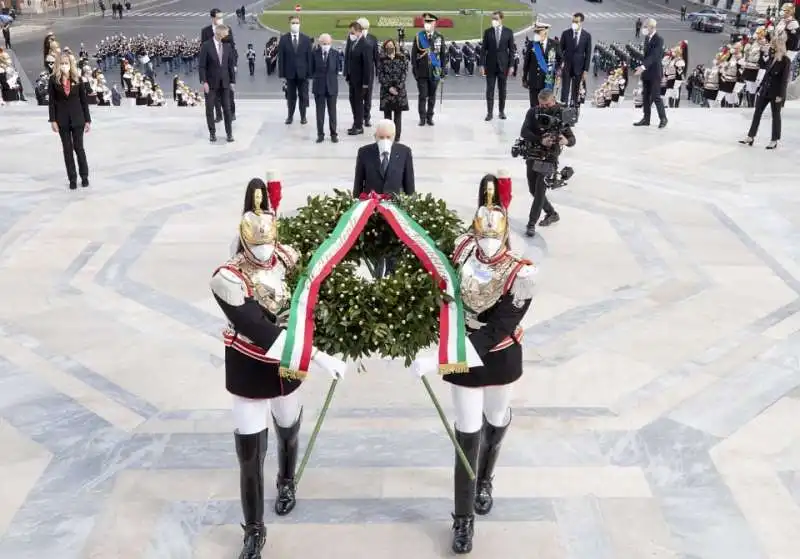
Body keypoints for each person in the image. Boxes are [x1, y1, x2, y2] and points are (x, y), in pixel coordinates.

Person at [211, 178, 347, 559]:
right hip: (250, 363)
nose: (264, 249)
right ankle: (253, 529)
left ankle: (287, 480)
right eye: (256, 243)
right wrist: (319, 357)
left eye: (268, 240)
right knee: (250, 452)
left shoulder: (287, 257)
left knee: (288, 426)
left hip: (287, 366)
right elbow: (260, 329)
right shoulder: (228, 277)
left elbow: (308, 298)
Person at [411, 173, 536, 554]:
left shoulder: (522, 271)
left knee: (496, 419)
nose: (486, 243)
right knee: (466, 431)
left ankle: (486, 477)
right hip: (462, 351)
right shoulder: (463, 249)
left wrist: (446, 356)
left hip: (497, 353)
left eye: (493, 237)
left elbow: (501, 326)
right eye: (481, 235)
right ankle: (462, 518)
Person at [521, 89, 575, 237]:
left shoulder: (561, 113)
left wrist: (566, 141)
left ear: (554, 100)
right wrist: (540, 140)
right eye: (542, 105)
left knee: (539, 191)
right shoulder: (533, 112)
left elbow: (572, 139)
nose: (545, 107)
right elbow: (524, 132)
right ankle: (552, 213)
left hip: (550, 157)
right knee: (533, 189)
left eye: (548, 104)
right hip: (533, 153)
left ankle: (531, 224)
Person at [48, 53, 91, 190]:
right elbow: (52, 102)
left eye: (66, 63)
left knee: (79, 148)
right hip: (62, 120)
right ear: (58, 65)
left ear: (70, 64)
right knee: (67, 150)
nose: (64, 66)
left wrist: (87, 120)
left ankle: (84, 176)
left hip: (78, 118)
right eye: (62, 63)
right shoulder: (53, 80)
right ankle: (72, 178)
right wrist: (53, 120)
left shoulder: (77, 79)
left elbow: (84, 101)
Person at [740, 37, 790, 150]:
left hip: (776, 92)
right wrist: (760, 88)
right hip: (765, 90)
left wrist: (781, 95)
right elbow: (764, 68)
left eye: (774, 45)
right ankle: (750, 136)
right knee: (757, 112)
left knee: (775, 115)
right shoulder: (771, 58)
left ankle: (774, 140)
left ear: (779, 47)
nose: (771, 47)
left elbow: (784, 80)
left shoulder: (785, 60)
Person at [353, 118, 415, 197]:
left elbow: (409, 184)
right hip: (371, 204)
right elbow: (358, 183)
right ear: (375, 136)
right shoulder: (364, 152)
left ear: (394, 136)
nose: (385, 140)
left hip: (395, 205)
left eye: (388, 137)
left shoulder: (405, 152)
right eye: (381, 137)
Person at [199, 24, 236, 143]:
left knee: (227, 109)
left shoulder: (227, 46)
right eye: (225, 34)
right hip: (211, 84)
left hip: (224, 83)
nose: (227, 36)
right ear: (219, 34)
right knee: (210, 109)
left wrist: (232, 81)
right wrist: (204, 82)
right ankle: (212, 133)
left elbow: (230, 65)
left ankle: (229, 134)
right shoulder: (206, 46)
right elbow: (202, 66)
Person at [201, 9, 237, 124]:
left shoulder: (227, 29)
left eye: (222, 17)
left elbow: (232, 47)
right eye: (218, 17)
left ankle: (231, 112)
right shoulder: (205, 31)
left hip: (225, 65)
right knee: (214, 94)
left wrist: (234, 64)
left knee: (228, 92)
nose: (221, 19)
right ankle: (219, 115)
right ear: (213, 18)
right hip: (212, 67)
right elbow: (203, 49)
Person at [411, 12, 446, 126]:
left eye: (430, 22)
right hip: (422, 71)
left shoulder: (439, 37)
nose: (428, 24)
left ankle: (430, 116)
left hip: (435, 71)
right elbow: (413, 55)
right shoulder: (418, 36)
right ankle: (422, 118)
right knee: (422, 96)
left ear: (434, 23)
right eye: (426, 22)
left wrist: (443, 69)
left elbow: (442, 55)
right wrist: (415, 70)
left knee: (432, 96)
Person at [480, 11, 515, 121]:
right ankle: (489, 113)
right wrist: (481, 64)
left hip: (503, 66)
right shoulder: (488, 32)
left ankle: (501, 111)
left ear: (501, 19)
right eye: (492, 19)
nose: (493, 21)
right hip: (490, 66)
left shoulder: (508, 32)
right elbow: (483, 50)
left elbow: (512, 51)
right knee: (490, 90)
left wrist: (511, 66)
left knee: (502, 90)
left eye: (496, 18)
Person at [278, 15, 312, 125]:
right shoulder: (284, 39)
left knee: (303, 96)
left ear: (300, 24)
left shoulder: (306, 39)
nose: (295, 25)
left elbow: (309, 58)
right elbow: (281, 58)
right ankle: (290, 116)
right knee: (291, 97)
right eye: (293, 23)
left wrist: (309, 74)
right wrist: (282, 75)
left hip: (303, 74)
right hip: (290, 74)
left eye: (297, 23)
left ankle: (303, 117)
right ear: (289, 24)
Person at [633, 18, 667, 129]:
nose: (644, 28)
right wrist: (640, 65)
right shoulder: (647, 38)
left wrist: (643, 67)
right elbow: (647, 56)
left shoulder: (659, 39)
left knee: (656, 96)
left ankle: (663, 118)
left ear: (652, 27)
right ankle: (646, 119)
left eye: (646, 26)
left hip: (655, 73)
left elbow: (654, 56)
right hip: (647, 73)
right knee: (645, 96)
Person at [522, 21, 561, 108]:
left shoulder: (554, 44)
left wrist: (558, 71)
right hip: (534, 80)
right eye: (535, 32)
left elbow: (561, 60)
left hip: (548, 80)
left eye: (538, 32)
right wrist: (524, 78)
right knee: (534, 106)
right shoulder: (531, 45)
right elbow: (526, 63)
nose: (536, 34)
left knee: (548, 105)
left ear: (545, 32)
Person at [344, 20, 373, 135]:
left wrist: (366, 83)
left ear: (358, 32)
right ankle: (356, 122)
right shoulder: (353, 43)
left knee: (358, 102)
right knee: (353, 101)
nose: (350, 35)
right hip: (352, 79)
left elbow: (367, 66)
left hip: (361, 81)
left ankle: (359, 126)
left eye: (352, 32)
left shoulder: (365, 45)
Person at [377, 38, 409, 141]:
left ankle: (397, 137)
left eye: (391, 46)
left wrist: (397, 87)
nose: (389, 48)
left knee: (398, 116)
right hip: (386, 92)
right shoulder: (381, 59)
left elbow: (404, 74)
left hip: (399, 92)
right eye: (387, 47)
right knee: (387, 117)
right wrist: (389, 88)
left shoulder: (402, 58)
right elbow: (380, 75)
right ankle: (388, 135)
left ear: (395, 47)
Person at [558, 13, 591, 112]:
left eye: (576, 21)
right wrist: (561, 64)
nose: (574, 23)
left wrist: (585, 70)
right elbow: (560, 50)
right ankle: (563, 109)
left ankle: (574, 110)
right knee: (565, 89)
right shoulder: (566, 33)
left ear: (581, 22)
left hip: (579, 67)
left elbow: (588, 54)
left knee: (575, 90)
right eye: (573, 21)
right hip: (567, 66)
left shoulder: (587, 35)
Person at [311, 33, 340, 143]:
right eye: (324, 43)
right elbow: (312, 69)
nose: (326, 45)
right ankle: (320, 134)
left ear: (331, 43)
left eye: (328, 43)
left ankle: (333, 134)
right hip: (319, 87)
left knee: (332, 112)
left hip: (332, 87)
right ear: (320, 43)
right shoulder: (314, 54)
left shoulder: (335, 54)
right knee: (320, 113)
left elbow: (337, 69)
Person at [353, 17, 379, 127]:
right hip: (357, 73)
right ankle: (358, 118)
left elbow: (376, 56)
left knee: (368, 96)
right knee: (357, 97)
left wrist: (378, 70)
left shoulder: (372, 39)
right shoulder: (354, 38)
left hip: (368, 72)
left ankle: (366, 117)